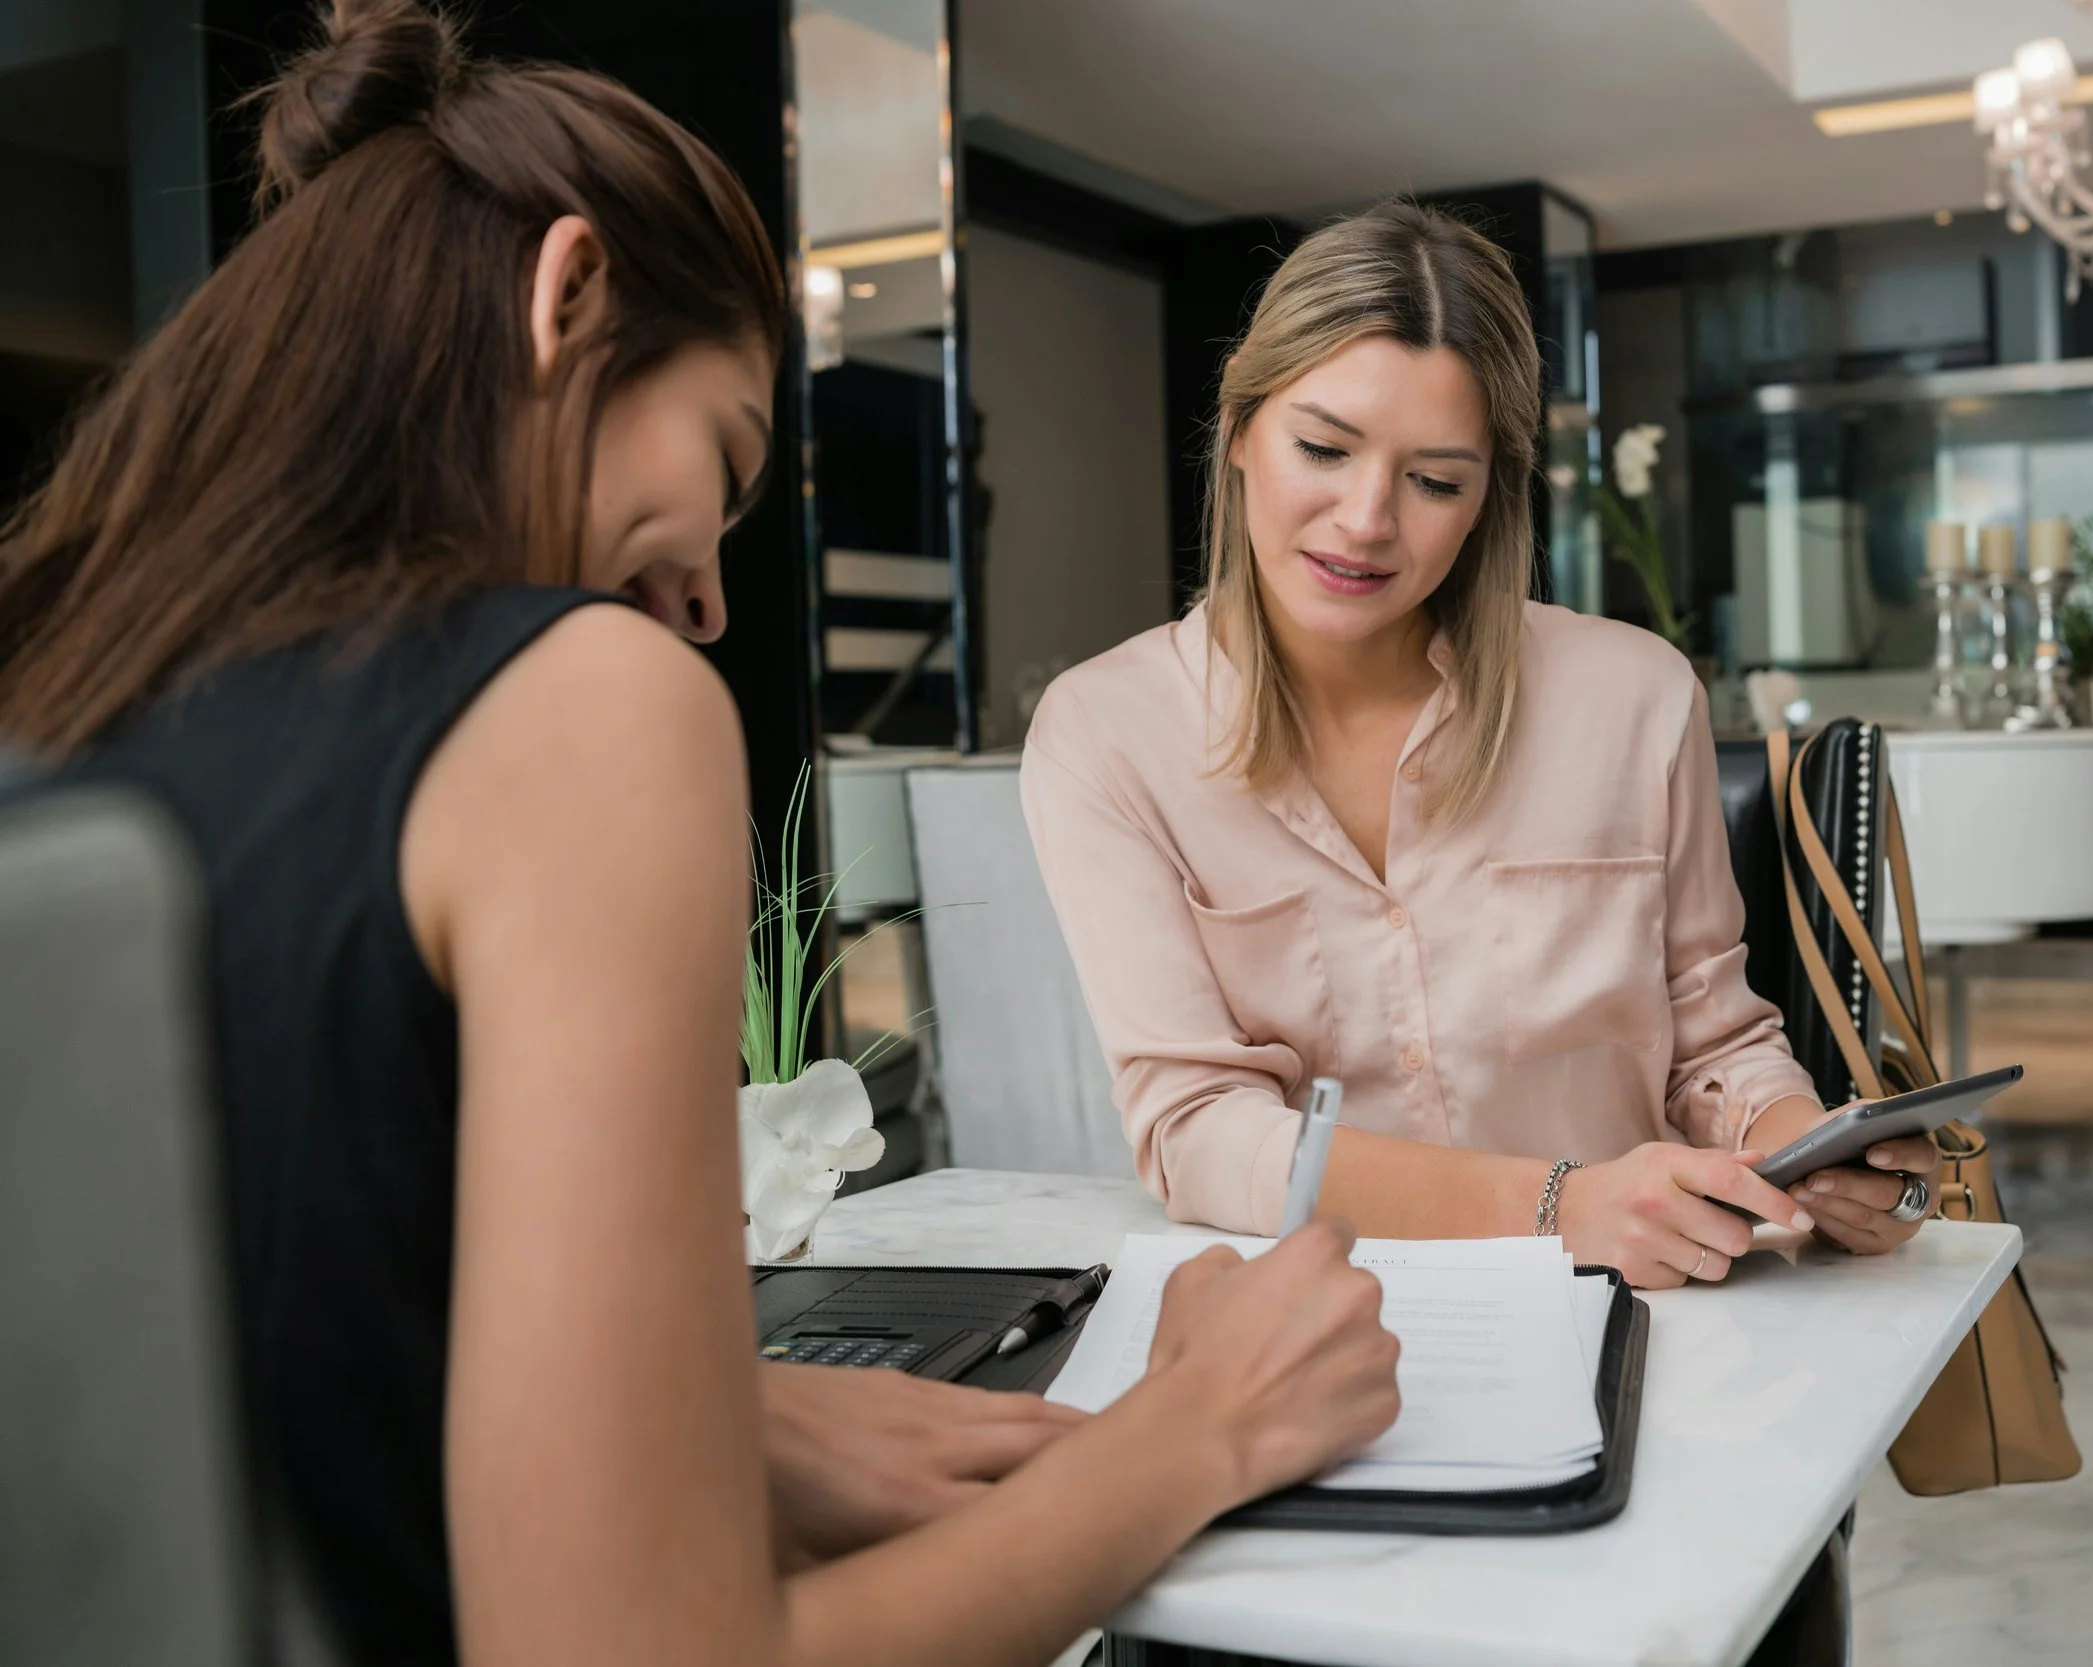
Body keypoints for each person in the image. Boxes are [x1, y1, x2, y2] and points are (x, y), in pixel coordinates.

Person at [0, 4, 1400, 1663]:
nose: (711, 602)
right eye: (722, 464)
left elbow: (241, 1345)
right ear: (568, 296)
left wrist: (722, 1419)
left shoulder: (68, 699)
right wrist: (1202, 1433)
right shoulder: (584, 704)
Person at [1022, 202, 1940, 1291]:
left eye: (1434, 480)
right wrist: (1559, 1205)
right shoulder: (1106, 734)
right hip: (1308, 1322)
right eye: (1322, 447)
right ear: (1236, 431)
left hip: (1643, 1307)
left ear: (1485, 498)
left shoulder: (1634, 696)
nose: (1366, 519)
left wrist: (1820, 1153)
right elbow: (1198, 1135)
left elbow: (1713, 1044)